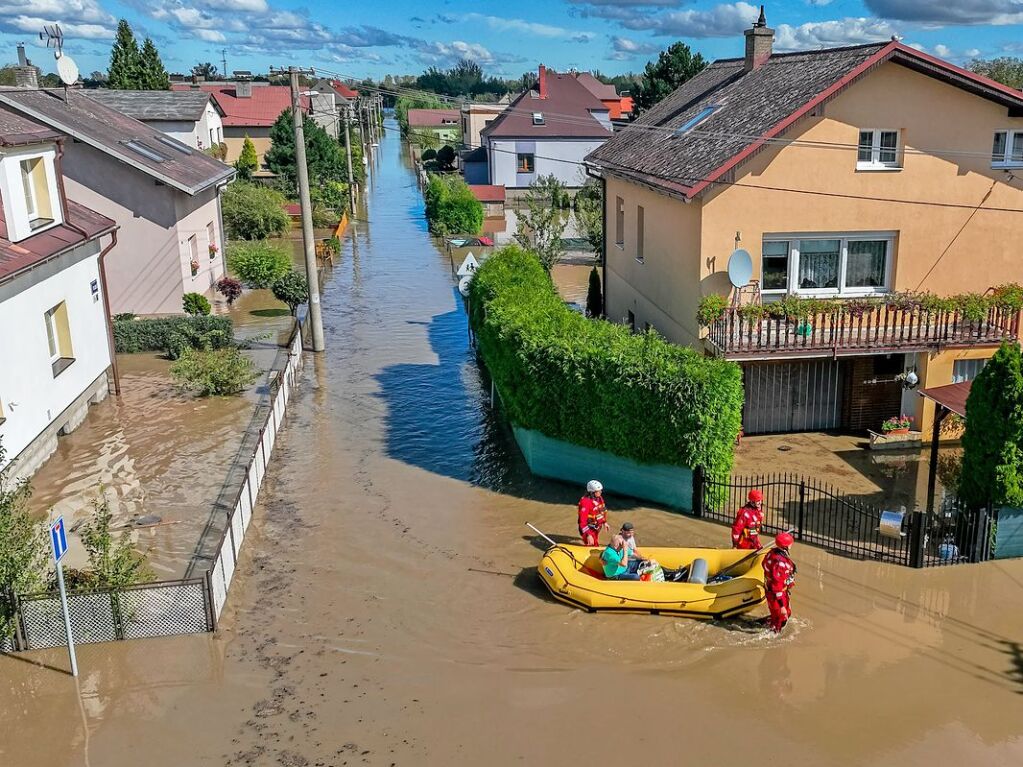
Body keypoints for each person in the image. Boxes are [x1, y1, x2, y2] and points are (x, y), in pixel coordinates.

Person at [762, 532, 797, 633]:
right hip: (777, 594)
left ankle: (771, 621)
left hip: (774, 591)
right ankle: (773, 632)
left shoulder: (771, 553)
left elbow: (763, 564)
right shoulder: (780, 564)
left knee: (786, 613)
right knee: (781, 617)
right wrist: (782, 606)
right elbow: (777, 586)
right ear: (786, 546)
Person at [578, 479, 609, 546]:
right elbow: (582, 521)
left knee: (595, 541)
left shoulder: (599, 499)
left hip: (596, 527)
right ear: (592, 492)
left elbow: (602, 510)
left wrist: (604, 522)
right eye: (599, 491)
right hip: (589, 528)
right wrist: (588, 534)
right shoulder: (585, 502)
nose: (601, 492)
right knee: (592, 544)